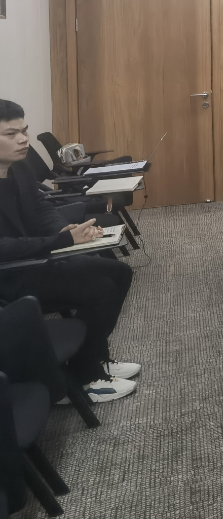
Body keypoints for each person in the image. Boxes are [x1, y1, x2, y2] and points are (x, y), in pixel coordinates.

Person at [0, 100, 138, 403]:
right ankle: (85, 376)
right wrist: (61, 241)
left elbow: (41, 209)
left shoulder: (19, 168)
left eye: (24, 131)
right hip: (10, 275)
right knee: (100, 288)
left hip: (35, 259)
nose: (23, 140)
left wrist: (66, 230)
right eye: (11, 134)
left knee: (120, 272)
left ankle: (93, 359)